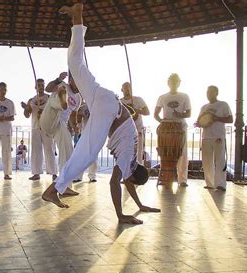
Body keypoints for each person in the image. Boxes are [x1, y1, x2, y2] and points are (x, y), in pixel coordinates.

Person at [42, 3, 160, 224]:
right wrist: (121, 215)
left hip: (105, 98)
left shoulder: (132, 161)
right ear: (133, 175)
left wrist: (140, 205)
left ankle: (78, 17)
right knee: (86, 155)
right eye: (130, 181)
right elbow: (116, 183)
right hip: (108, 110)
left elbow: (127, 182)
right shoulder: (127, 158)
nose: (126, 180)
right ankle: (54, 189)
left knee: (75, 65)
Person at [42, 72, 82, 196]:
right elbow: (47, 89)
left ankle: (64, 187)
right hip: (49, 118)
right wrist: (58, 79)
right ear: (71, 80)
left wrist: (74, 126)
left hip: (60, 125)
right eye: (75, 80)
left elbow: (73, 114)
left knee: (68, 151)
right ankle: (61, 101)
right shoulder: (62, 84)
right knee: (56, 99)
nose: (77, 83)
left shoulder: (79, 98)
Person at [154, 73, 191, 187]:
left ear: (179, 83)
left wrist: (179, 114)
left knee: (182, 154)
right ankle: (166, 177)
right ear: (168, 83)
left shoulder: (185, 96)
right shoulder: (162, 97)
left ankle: (182, 180)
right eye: (171, 81)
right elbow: (156, 114)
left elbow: (188, 114)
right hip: (166, 128)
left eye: (176, 81)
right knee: (165, 153)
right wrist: (163, 122)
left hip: (180, 127)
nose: (173, 83)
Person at [196, 86, 233, 191]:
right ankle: (210, 183)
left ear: (216, 93)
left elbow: (230, 119)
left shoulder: (223, 105)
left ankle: (221, 184)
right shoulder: (204, 107)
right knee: (207, 161)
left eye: (211, 92)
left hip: (218, 136)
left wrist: (216, 118)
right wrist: (201, 123)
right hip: (206, 136)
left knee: (220, 160)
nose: (209, 94)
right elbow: (199, 121)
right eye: (207, 92)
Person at [23, 79, 57, 180]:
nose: (40, 87)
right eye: (38, 85)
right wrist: (26, 108)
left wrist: (43, 111)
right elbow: (26, 115)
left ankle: (54, 173)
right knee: (36, 151)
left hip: (47, 126)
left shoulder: (49, 97)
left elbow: (54, 110)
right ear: (35, 87)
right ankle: (36, 173)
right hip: (35, 127)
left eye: (42, 85)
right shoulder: (31, 100)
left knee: (50, 149)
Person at [120, 82, 150, 164]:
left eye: (129, 87)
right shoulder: (120, 102)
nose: (127, 89)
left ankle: (138, 172)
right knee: (125, 152)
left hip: (138, 129)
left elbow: (147, 112)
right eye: (125, 88)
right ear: (122, 90)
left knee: (139, 152)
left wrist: (135, 110)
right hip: (125, 131)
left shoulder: (138, 100)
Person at [74, 101, 98, 182]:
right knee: (81, 156)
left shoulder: (98, 106)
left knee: (93, 156)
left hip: (95, 134)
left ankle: (92, 176)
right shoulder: (83, 107)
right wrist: (79, 130)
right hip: (85, 134)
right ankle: (78, 176)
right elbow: (79, 120)